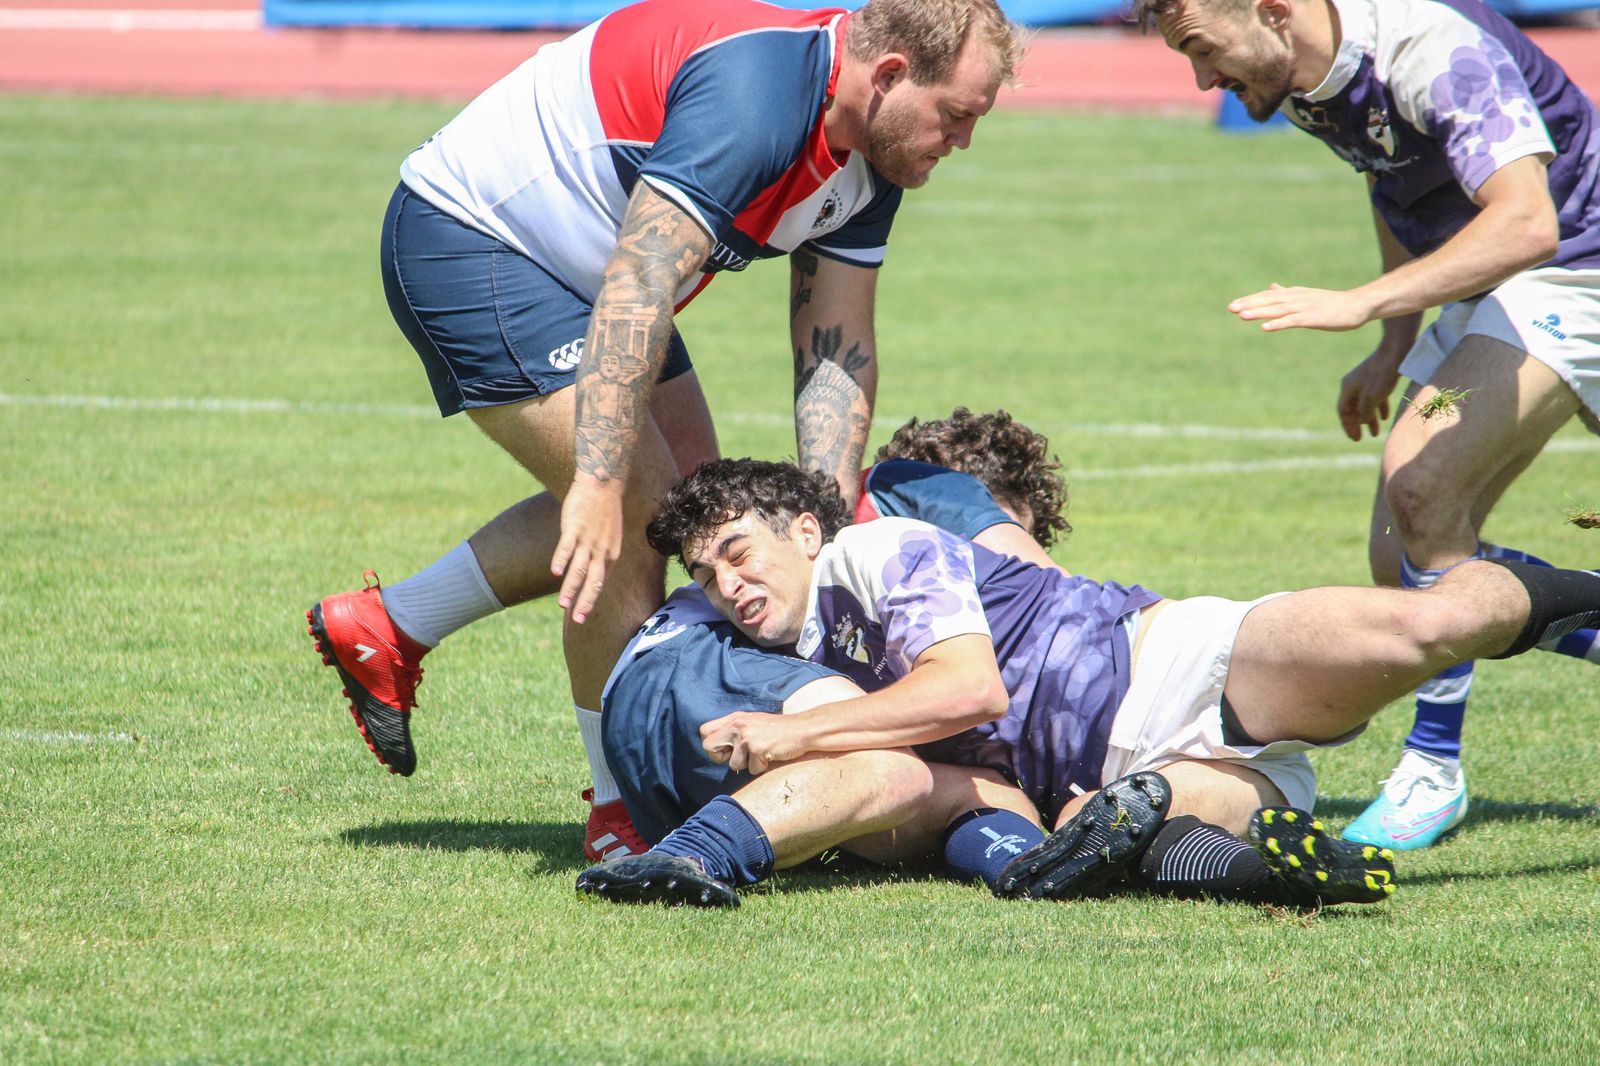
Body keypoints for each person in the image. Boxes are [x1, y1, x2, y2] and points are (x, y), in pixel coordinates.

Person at [302, 0, 1025, 860]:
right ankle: (621, 808)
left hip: (596, 271)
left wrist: (824, 530)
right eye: (957, 115)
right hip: (477, 240)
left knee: (703, 516)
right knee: (642, 506)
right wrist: (601, 482)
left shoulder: (875, 148)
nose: (962, 141)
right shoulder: (758, 98)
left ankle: (389, 624)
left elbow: (834, 345)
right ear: (893, 77)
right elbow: (640, 284)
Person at [576, 457, 1600, 906]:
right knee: (1194, 814)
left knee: (1429, 623)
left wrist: (793, 741)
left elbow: (970, 690)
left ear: (805, 528)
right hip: (1122, 766)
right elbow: (966, 774)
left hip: (1176, 664)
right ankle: (1179, 829)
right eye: (708, 571)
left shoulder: (880, 550)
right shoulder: (793, 659)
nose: (728, 580)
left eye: (739, 550)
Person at [1132, 0, 1600, 849]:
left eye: (1202, 51)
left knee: (1424, 490)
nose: (1204, 81)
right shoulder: (1307, 72)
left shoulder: (1432, 49)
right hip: (1500, 287)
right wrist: (1391, 345)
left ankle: (1432, 769)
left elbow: (1528, 219)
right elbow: (1392, 182)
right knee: (1404, 554)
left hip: (1573, 266)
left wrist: (1362, 303)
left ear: (1273, 11)